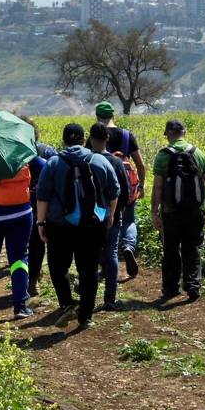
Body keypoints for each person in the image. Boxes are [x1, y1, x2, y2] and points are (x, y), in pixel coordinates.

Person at [36, 123, 119, 329]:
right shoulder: (99, 160)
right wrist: (110, 216)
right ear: (85, 140)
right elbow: (114, 191)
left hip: (60, 226)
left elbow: (43, 196)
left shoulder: (53, 163)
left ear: (63, 141)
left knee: (57, 267)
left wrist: (40, 222)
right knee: (89, 270)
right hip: (92, 225)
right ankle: (86, 317)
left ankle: (67, 304)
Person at [150, 119, 205, 301]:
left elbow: (158, 187)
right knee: (192, 247)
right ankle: (193, 285)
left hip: (171, 212)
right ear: (184, 133)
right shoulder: (197, 153)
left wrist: (154, 211)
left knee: (170, 248)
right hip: (196, 210)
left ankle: (171, 288)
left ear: (168, 134)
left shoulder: (163, 155)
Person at [0, 156, 42, 319]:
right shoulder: (22, 153)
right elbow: (43, 167)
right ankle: (20, 306)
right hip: (21, 213)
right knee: (19, 258)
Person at [95, 101, 146, 278]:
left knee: (103, 225)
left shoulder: (96, 136)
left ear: (97, 116)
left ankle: (105, 266)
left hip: (103, 190)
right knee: (129, 220)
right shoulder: (126, 135)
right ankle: (128, 246)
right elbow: (140, 164)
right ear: (113, 116)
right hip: (127, 186)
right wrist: (140, 186)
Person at [87, 123, 130, 311]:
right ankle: (110, 299)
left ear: (90, 139)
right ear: (107, 140)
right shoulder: (116, 162)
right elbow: (125, 193)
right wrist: (117, 211)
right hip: (111, 214)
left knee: (91, 254)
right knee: (111, 252)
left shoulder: (86, 160)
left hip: (90, 216)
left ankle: (87, 296)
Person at [20, 115, 57, 298]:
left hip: (19, 205)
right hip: (45, 205)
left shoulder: (13, 153)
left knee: (23, 245)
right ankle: (34, 281)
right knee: (39, 243)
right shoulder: (47, 151)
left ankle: (27, 280)